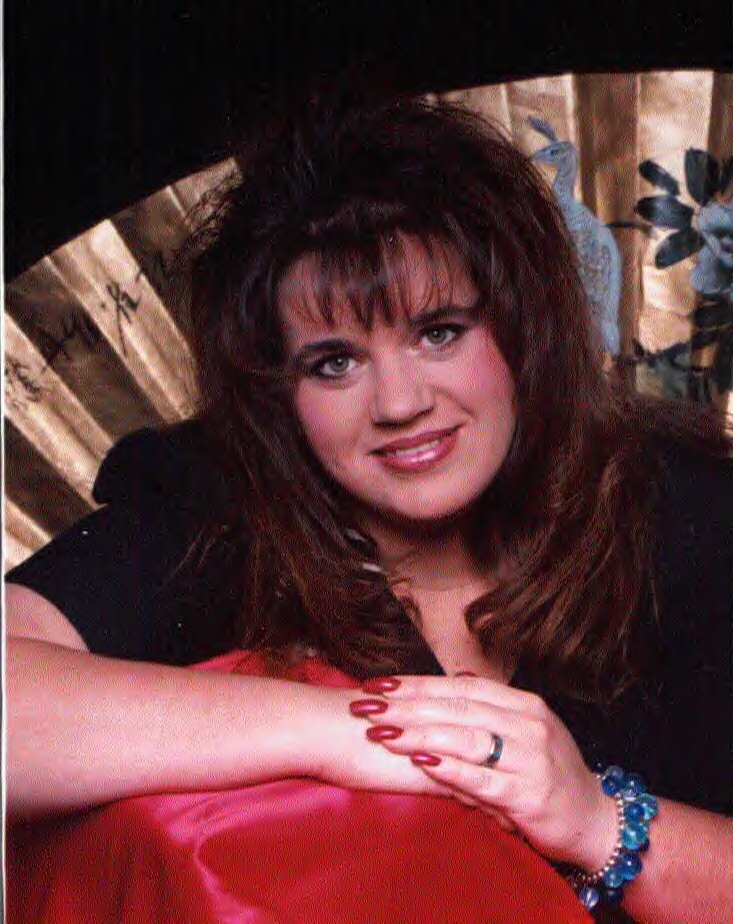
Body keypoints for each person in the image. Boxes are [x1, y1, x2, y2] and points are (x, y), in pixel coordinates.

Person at [6, 94, 732, 922]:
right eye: (333, 363)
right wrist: (348, 735)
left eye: (438, 332)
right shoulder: (216, 502)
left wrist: (595, 822)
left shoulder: (681, 512)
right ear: (279, 390)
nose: (397, 403)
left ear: (521, 325)